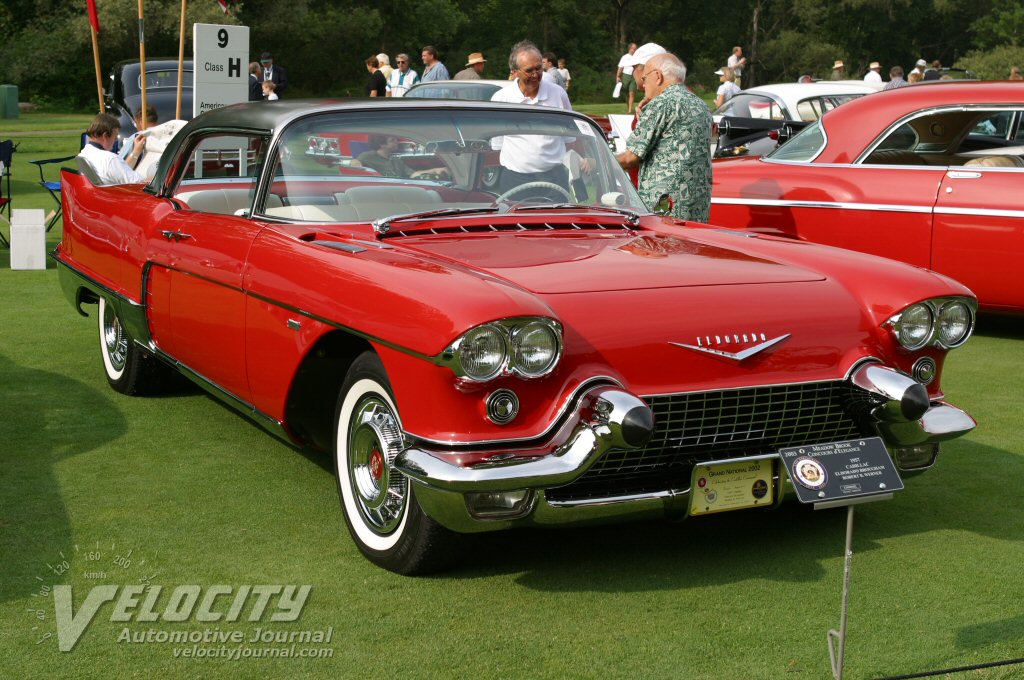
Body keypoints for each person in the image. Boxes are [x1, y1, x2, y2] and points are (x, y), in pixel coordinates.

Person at [616, 52, 712, 222]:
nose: (644, 86)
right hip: (697, 205)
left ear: (658, 76)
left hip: (665, 205)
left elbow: (631, 157)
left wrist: (600, 162)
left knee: (659, 246)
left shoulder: (661, 104)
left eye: (644, 79)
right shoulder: (702, 106)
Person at [490, 41, 574, 196]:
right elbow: (497, 146)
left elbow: (571, 139)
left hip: (555, 179)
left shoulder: (558, 94)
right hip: (515, 180)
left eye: (538, 68)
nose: (535, 75)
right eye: (529, 71)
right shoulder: (501, 99)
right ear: (515, 71)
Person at [78, 113, 146, 185]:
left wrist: (136, 151)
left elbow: (120, 170)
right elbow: (139, 183)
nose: (116, 140)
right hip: (115, 194)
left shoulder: (85, 153)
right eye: (115, 136)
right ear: (105, 136)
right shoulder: (110, 159)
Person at [357, 134, 447, 179]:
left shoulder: (395, 159)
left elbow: (413, 174)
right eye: (393, 140)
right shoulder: (367, 156)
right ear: (382, 144)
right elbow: (354, 164)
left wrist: (435, 170)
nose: (397, 142)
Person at [616, 42, 638, 113]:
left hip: (634, 76)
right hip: (626, 76)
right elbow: (620, 67)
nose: (635, 50)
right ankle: (629, 107)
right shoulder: (624, 57)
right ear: (630, 49)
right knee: (627, 94)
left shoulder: (638, 57)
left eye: (636, 49)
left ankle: (630, 110)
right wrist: (618, 76)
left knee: (632, 93)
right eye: (633, 49)